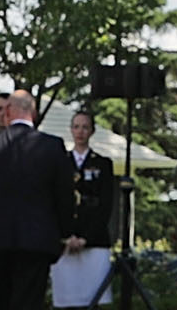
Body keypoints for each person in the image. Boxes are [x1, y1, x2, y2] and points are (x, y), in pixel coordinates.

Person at [0, 90, 77, 310]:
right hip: (38, 241)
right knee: (29, 302)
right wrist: (64, 233)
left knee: (3, 301)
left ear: (9, 112)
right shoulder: (53, 146)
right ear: (32, 112)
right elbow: (64, 193)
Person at [51, 109, 119, 310]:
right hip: (65, 242)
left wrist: (85, 238)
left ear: (92, 131)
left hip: (94, 240)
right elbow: (55, 202)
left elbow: (105, 205)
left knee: (93, 300)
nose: (80, 132)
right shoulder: (60, 162)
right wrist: (67, 236)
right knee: (66, 302)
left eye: (85, 127)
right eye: (76, 127)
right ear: (71, 130)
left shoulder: (103, 164)